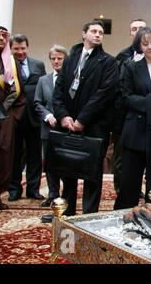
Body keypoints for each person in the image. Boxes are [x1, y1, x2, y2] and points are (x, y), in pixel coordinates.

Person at [53, 20, 119, 216]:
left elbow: (105, 94)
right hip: (68, 125)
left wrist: (82, 120)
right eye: (94, 31)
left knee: (92, 176)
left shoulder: (108, 62)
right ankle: (67, 213)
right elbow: (59, 90)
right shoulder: (71, 59)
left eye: (101, 32)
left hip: (93, 127)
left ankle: (89, 216)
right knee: (68, 173)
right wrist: (63, 116)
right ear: (84, 34)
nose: (98, 34)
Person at [114, 27, 151, 209]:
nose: (150, 47)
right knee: (130, 182)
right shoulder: (131, 67)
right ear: (139, 45)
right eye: (145, 43)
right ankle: (123, 218)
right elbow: (125, 97)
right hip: (137, 131)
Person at [111, 18, 147, 196]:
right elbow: (117, 88)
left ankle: (139, 189)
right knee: (121, 156)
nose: (138, 31)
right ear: (130, 33)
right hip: (123, 116)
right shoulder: (122, 56)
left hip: (146, 116)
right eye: (134, 28)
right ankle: (121, 188)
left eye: (142, 28)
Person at [8, 34, 46, 201]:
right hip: (14, 117)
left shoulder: (38, 65)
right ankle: (14, 189)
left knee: (35, 155)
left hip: (35, 117)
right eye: (16, 48)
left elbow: (44, 89)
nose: (20, 52)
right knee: (14, 155)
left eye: (23, 48)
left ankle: (33, 188)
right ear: (11, 49)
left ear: (27, 48)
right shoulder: (5, 66)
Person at [0, 26, 26, 210]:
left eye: (3, 36)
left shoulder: (10, 62)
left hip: (4, 116)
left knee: (3, 156)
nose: (0, 39)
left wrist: (11, 117)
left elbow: (18, 93)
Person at [34, 45, 68, 212]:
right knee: (50, 165)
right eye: (53, 58)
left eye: (59, 58)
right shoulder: (43, 80)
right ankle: (53, 194)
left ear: (65, 59)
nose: (56, 61)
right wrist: (48, 116)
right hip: (48, 130)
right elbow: (37, 103)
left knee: (67, 164)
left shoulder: (72, 80)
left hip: (67, 129)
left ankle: (67, 195)